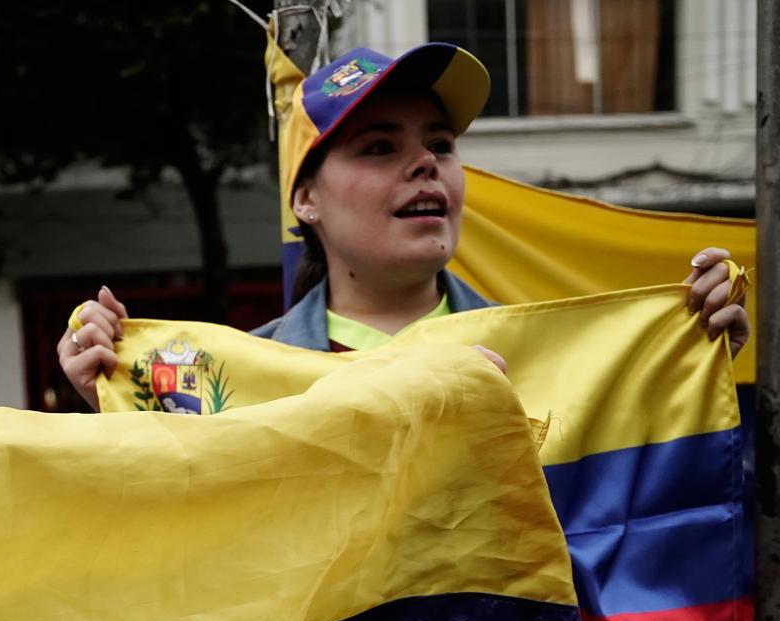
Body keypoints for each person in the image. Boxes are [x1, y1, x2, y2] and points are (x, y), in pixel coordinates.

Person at [55, 43, 751, 406]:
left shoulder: (559, 358)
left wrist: (691, 362)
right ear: (306, 202)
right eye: (381, 147)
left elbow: (651, 524)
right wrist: (117, 400)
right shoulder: (228, 387)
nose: (424, 163)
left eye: (440, 145)